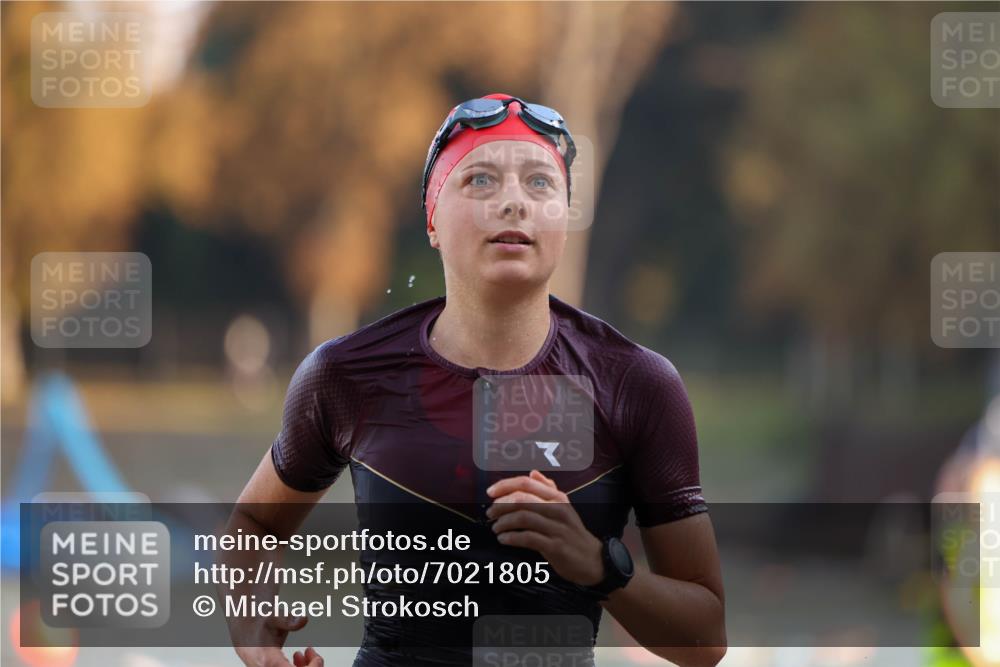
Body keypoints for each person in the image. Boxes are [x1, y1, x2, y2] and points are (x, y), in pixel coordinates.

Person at [226, 93, 726, 667]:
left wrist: (598, 566)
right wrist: (252, 627)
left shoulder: (635, 383)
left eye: (540, 184)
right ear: (433, 219)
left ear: (563, 218)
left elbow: (705, 638)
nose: (514, 201)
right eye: (481, 180)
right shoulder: (346, 374)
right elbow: (254, 523)